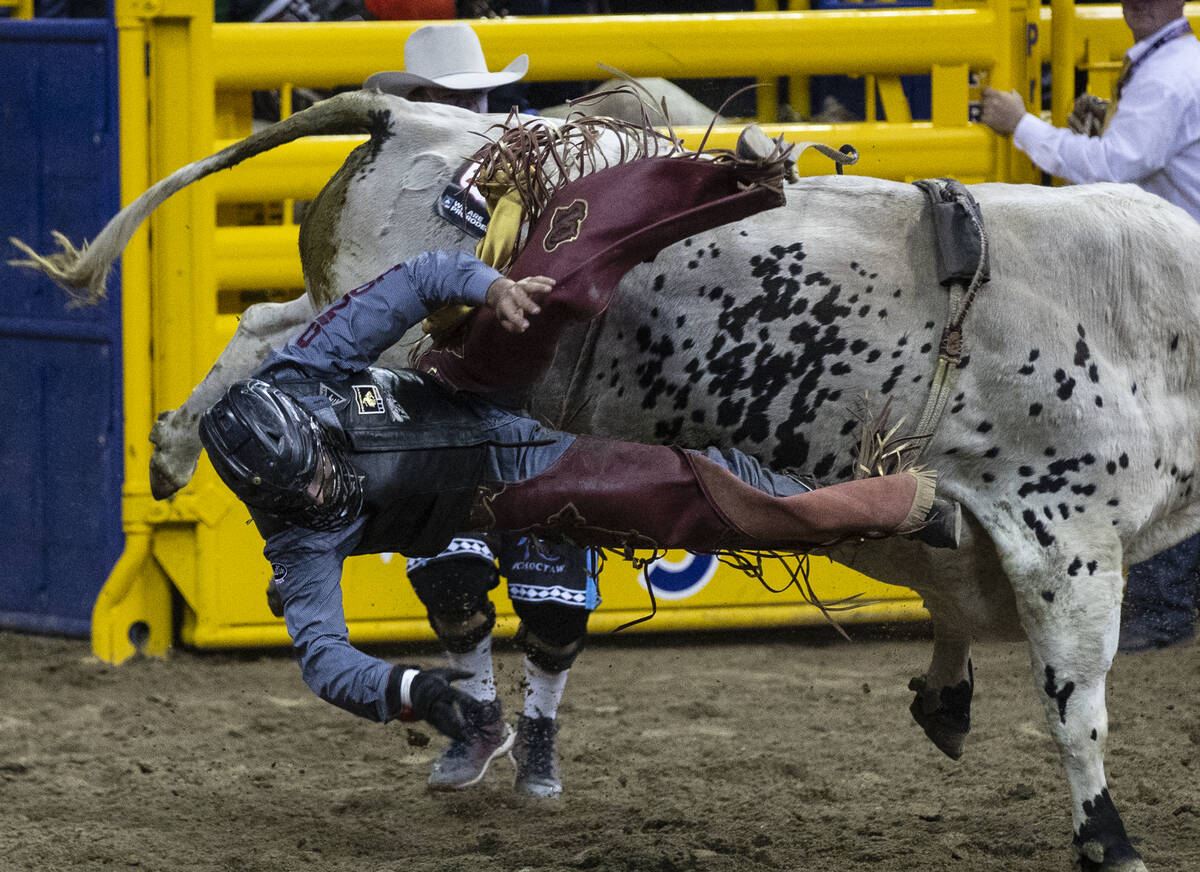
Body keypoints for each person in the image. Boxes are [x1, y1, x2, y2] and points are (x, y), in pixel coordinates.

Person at [198, 249, 960, 792]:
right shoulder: (300, 542)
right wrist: (417, 693)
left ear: (306, 420)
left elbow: (419, 276)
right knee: (674, 501)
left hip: (463, 386)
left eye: (323, 463)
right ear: (274, 502)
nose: (326, 488)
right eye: (309, 490)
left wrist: (491, 286)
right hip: (504, 480)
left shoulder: (299, 373)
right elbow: (325, 661)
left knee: (562, 271)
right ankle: (878, 501)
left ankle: (711, 195)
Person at [363, 22, 598, 800]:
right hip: (445, 402)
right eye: (456, 99)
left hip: (535, 404)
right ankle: (483, 720)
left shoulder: (549, 169)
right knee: (453, 583)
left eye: (477, 98)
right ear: (430, 102)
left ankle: (536, 731)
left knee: (551, 606)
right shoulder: (392, 183)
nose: (471, 109)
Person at [979, 0, 1200, 651]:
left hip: (1180, 284)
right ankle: (1162, 605)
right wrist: (1099, 130)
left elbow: (1112, 168)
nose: (1138, 2)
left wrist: (1022, 126)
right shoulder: (1172, 66)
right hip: (1171, 279)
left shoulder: (1168, 74)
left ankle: (1163, 609)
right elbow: (1135, 157)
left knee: (1172, 443)